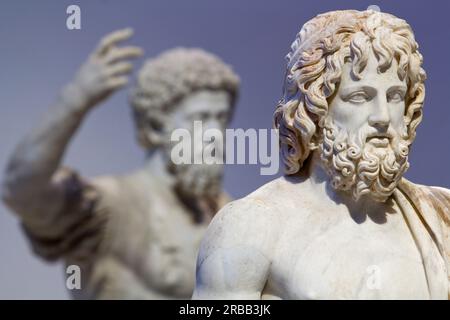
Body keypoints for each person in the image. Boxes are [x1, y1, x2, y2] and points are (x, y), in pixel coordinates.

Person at [193, 10, 449, 300]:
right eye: (360, 96)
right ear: (315, 111)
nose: (382, 117)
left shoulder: (441, 218)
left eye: (394, 96)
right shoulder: (251, 226)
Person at [1, 28, 240, 299]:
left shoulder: (223, 214)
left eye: (222, 119)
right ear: (154, 127)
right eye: (200, 118)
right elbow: (20, 189)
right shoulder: (109, 206)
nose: (215, 135)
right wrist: (74, 100)